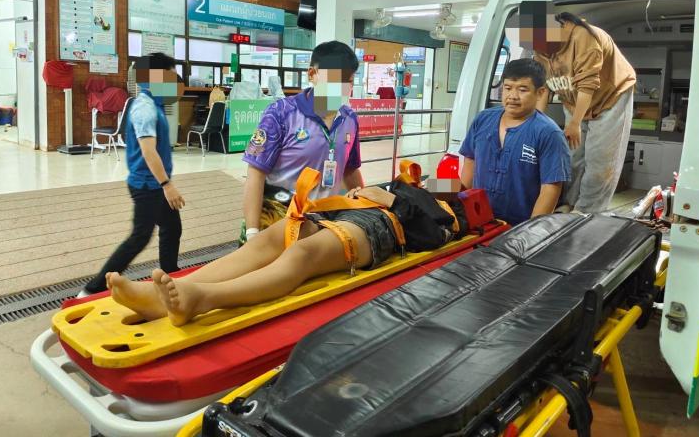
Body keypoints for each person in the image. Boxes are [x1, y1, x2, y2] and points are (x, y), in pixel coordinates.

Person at [105, 163, 477, 326]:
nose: (439, 183)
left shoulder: (449, 210)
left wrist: (394, 200)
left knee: (303, 253)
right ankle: (163, 297)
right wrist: (370, 193)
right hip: (344, 213)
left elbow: (433, 237)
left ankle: (202, 298)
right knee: (277, 234)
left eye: (449, 183)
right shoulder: (412, 184)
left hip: (381, 229)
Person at [80, 53, 186, 296]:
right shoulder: (145, 108)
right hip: (148, 185)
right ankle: (92, 289)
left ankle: (170, 275)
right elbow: (148, 151)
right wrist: (167, 185)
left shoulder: (155, 104)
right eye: (170, 76)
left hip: (155, 183)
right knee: (140, 237)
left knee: (172, 228)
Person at [238, 41, 365, 245]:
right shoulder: (280, 113)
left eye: (347, 80)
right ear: (312, 74)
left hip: (323, 222)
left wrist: (367, 204)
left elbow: (350, 169)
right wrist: (252, 233)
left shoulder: (349, 119)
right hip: (278, 219)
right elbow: (255, 172)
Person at [527, 6, 636, 213]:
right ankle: (568, 203)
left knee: (599, 161)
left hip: (610, 97)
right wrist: (535, 122)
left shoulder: (584, 37)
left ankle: (587, 211)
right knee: (571, 157)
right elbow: (544, 87)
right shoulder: (540, 49)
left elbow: (587, 84)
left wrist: (575, 123)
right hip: (573, 100)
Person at [459, 58, 571, 225]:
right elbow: (469, 167)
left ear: (540, 93)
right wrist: (459, 208)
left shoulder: (549, 133)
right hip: (480, 222)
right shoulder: (483, 120)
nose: (512, 96)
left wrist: (530, 232)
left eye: (522, 89)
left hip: (519, 227)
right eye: (508, 88)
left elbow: (550, 189)